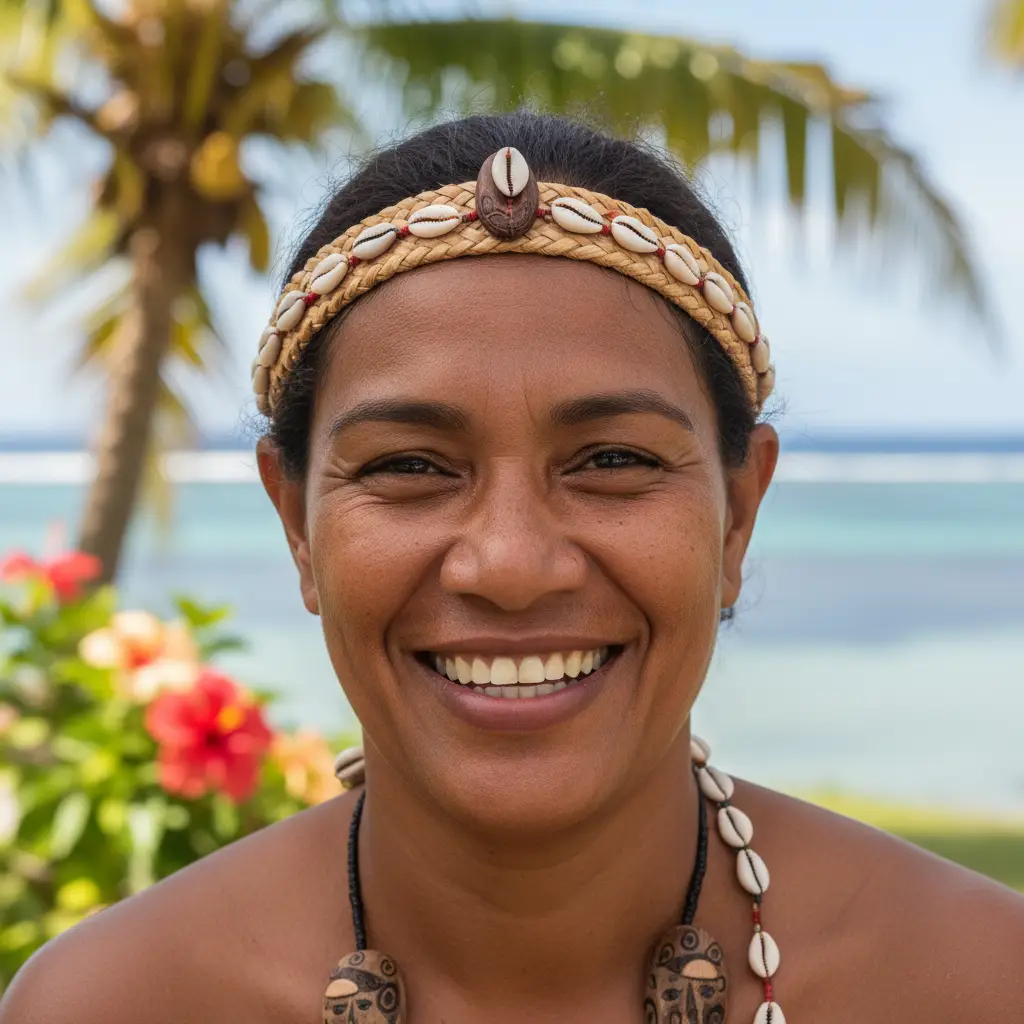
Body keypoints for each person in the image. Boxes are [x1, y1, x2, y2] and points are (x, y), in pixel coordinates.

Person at [2, 111, 1022, 1024]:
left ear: (737, 514)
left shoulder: (978, 981)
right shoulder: (115, 1002)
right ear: (295, 522)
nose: (510, 565)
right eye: (409, 466)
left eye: (612, 461)